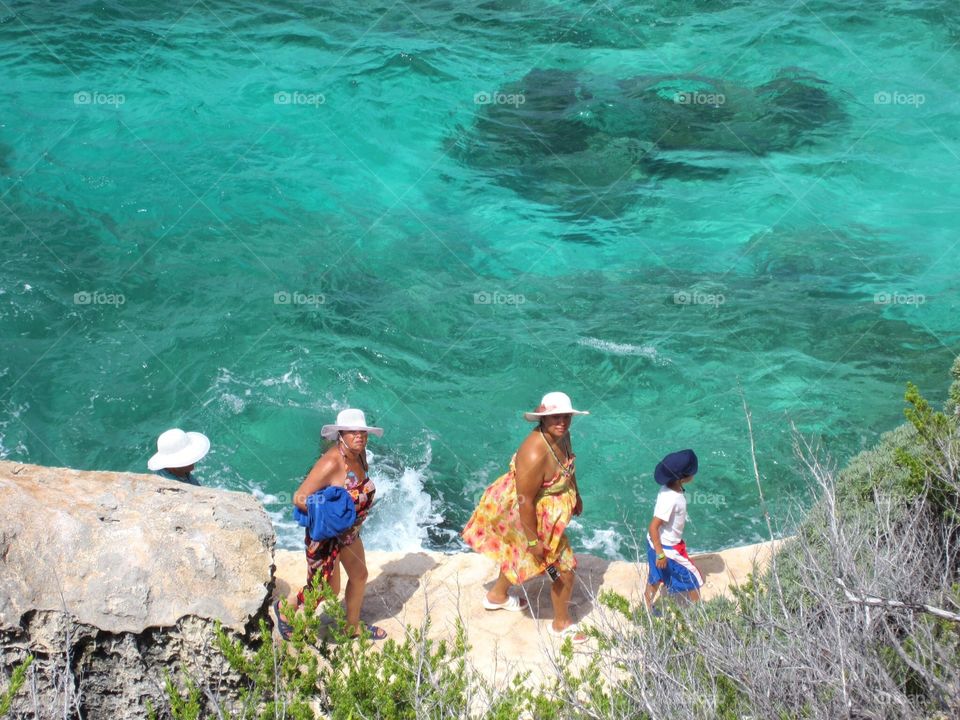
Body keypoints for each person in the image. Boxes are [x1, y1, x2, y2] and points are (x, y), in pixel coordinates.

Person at [462, 391, 589, 643]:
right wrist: (533, 542)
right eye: (555, 417)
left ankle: (497, 596)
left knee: (517, 556)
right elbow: (525, 501)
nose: (562, 421)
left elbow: (568, 466)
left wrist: (576, 494)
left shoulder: (563, 435)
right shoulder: (534, 453)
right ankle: (561, 624)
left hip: (537, 511)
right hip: (525, 515)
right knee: (562, 570)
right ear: (542, 418)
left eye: (566, 416)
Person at [274, 408, 386, 641]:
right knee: (328, 590)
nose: (360, 436)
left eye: (363, 432)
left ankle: (352, 627)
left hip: (350, 534)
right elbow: (299, 498)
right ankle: (287, 609)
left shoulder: (360, 455)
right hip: (327, 536)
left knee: (360, 576)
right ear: (341, 435)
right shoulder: (330, 463)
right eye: (353, 432)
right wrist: (332, 515)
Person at [645, 449, 703, 609]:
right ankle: (701, 615)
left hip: (655, 543)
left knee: (656, 576)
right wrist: (661, 554)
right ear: (682, 478)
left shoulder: (667, 489)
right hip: (666, 548)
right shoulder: (672, 498)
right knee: (694, 577)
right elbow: (653, 527)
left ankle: (647, 606)